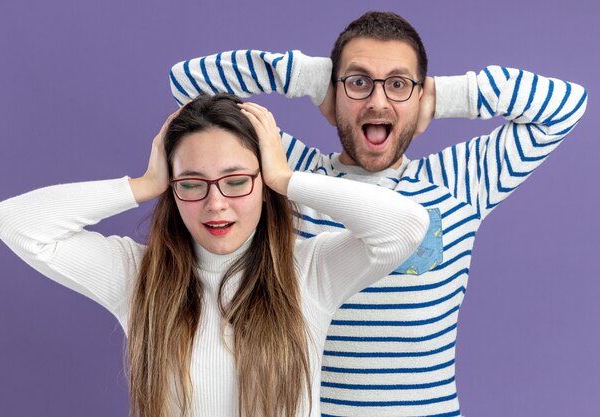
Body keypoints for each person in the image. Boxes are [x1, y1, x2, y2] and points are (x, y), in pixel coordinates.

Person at [168, 11, 588, 417]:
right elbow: (188, 88)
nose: (377, 101)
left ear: (419, 97)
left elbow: (567, 106)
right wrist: (312, 79)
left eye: (399, 85)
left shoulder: (461, 181)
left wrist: (443, 96)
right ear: (334, 96)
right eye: (358, 82)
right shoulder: (288, 173)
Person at [0, 94, 429, 417]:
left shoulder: (310, 271)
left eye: (236, 180)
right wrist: (142, 185)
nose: (215, 204)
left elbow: (405, 227)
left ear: (263, 184)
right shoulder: (135, 274)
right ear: (172, 188)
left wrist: (285, 176)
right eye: (192, 183)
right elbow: (18, 223)